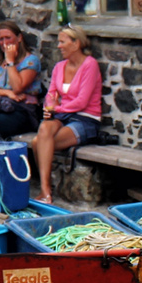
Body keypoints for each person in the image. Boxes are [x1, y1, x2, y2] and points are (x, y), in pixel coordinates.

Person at [32, 25, 102, 204]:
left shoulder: (90, 64)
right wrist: (49, 106)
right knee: (44, 128)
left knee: (37, 143)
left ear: (76, 43)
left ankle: (46, 191)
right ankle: (46, 190)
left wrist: (56, 108)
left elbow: (82, 101)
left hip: (85, 118)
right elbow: (51, 94)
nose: (59, 46)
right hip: (63, 115)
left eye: (62, 42)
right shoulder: (59, 66)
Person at [0, 21, 43, 140]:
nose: (5, 42)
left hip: (22, 109)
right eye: (1, 39)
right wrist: (7, 93)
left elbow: (18, 88)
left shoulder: (31, 61)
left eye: (8, 38)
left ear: (19, 38)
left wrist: (10, 62)